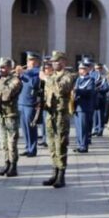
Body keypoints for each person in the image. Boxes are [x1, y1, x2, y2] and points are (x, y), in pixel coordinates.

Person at [41, 51, 74, 189]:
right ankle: (54, 171)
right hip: (50, 113)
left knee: (60, 143)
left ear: (64, 62)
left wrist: (46, 79)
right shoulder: (52, 76)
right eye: (53, 62)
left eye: (57, 61)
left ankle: (61, 174)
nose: (54, 64)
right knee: (52, 144)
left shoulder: (68, 76)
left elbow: (61, 90)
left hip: (61, 114)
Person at [0, 58, 22, 177]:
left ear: (10, 68)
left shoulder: (15, 81)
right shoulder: (1, 79)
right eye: (0, 67)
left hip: (11, 115)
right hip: (2, 114)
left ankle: (13, 166)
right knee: (3, 142)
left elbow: (7, 95)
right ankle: (7, 163)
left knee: (11, 142)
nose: (1, 70)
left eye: (4, 67)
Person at [18, 51, 41, 157]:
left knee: (30, 126)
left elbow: (34, 83)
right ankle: (27, 147)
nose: (28, 62)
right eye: (27, 60)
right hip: (22, 102)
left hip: (30, 102)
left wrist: (23, 73)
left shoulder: (37, 71)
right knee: (24, 127)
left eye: (30, 60)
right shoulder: (27, 72)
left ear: (36, 62)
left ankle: (32, 149)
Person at [73, 61, 95, 153]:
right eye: (79, 69)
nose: (80, 71)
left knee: (83, 127)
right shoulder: (78, 79)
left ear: (87, 70)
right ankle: (79, 144)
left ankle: (83, 146)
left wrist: (76, 91)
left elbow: (89, 92)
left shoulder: (90, 80)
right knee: (78, 128)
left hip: (84, 107)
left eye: (82, 69)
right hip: (77, 106)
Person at [91, 62, 109, 137]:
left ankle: (100, 130)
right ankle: (95, 129)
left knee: (100, 115)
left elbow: (107, 88)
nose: (97, 70)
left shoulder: (104, 77)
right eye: (96, 68)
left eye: (99, 68)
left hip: (101, 97)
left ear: (101, 69)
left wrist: (98, 89)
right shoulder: (92, 76)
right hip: (94, 98)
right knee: (95, 115)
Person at [38, 58, 52, 147]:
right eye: (45, 68)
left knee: (48, 121)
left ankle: (48, 139)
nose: (46, 70)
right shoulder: (43, 77)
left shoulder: (51, 77)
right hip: (42, 101)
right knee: (43, 121)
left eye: (47, 68)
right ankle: (44, 138)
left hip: (49, 102)